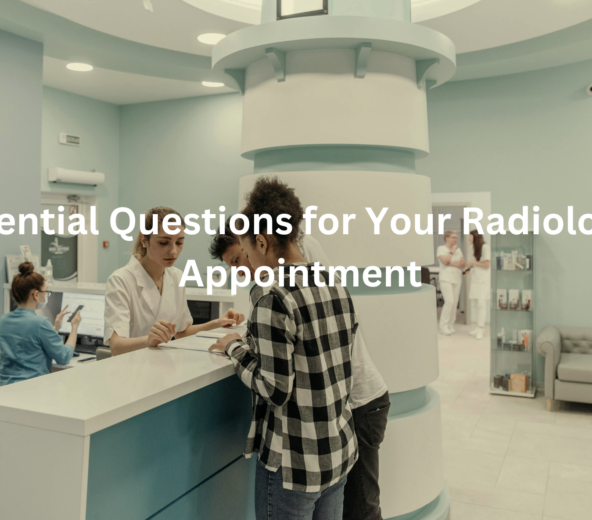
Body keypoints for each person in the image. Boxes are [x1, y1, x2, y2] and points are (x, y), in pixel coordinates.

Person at [210, 220, 390, 520]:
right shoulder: (326, 285)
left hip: (353, 408)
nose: (242, 268)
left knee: (362, 512)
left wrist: (235, 348)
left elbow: (276, 387)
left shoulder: (279, 291)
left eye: (241, 257)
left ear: (260, 243)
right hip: (336, 436)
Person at [104, 206, 242, 356]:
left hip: (166, 369)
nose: (173, 251)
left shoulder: (177, 277)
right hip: (131, 370)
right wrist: (148, 340)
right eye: (164, 242)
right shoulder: (121, 280)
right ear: (145, 239)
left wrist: (217, 323)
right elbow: (116, 346)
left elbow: (182, 332)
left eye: (179, 242)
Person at [0, 262, 82, 385]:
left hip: (5, 390)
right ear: (36, 294)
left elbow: (29, 345)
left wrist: (55, 328)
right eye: (46, 292)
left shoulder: (3, 320)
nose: (46, 295)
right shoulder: (40, 323)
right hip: (33, 391)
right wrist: (74, 327)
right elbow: (63, 357)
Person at [464, 230, 491, 340]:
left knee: (481, 303)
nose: (469, 239)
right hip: (475, 279)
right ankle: (477, 326)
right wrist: (467, 269)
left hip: (483, 280)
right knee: (475, 304)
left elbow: (486, 265)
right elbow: (471, 263)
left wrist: (473, 263)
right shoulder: (471, 248)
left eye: (470, 237)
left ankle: (481, 328)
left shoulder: (485, 247)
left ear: (476, 237)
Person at [437, 230, 465, 335]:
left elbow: (462, 263)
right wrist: (452, 252)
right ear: (447, 238)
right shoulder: (441, 249)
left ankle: (450, 324)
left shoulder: (459, 249)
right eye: (453, 237)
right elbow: (444, 261)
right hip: (446, 278)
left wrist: (451, 263)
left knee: (454, 303)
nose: (455, 239)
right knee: (449, 302)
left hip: (457, 279)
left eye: (456, 237)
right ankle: (443, 326)